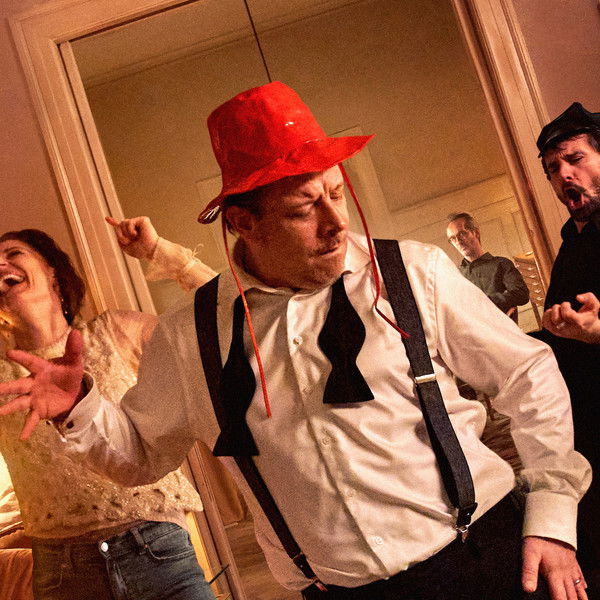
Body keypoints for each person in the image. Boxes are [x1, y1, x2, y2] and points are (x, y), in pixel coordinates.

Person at [0, 82, 592, 600]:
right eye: (304, 209)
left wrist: (553, 515)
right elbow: (140, 455)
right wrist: (80, 408)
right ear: (243, 222)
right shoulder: (190, 335)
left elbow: (528, 373)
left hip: (487, 558)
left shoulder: (412, 272)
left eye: (336, 193)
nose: (336, 223)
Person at [0, 217, 217, 600]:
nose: (1, 264)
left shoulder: (116, 330)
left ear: (52, 273)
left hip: (157, 553)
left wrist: (160, 252)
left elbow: (225, 323)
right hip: (61, 576)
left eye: (13, 253)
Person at [533, 101, 600, 596]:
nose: (564, 176)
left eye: (575, 159)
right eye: (553, 169)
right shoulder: (573, 242)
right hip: (587, 431)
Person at [446, 212, 529, 322]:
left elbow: (522, 294)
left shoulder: (501, 264)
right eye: (452, 238)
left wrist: (484, 302)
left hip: (503, 329)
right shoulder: (455, 275)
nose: (458, 242)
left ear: (476, 232)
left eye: (462, 234)